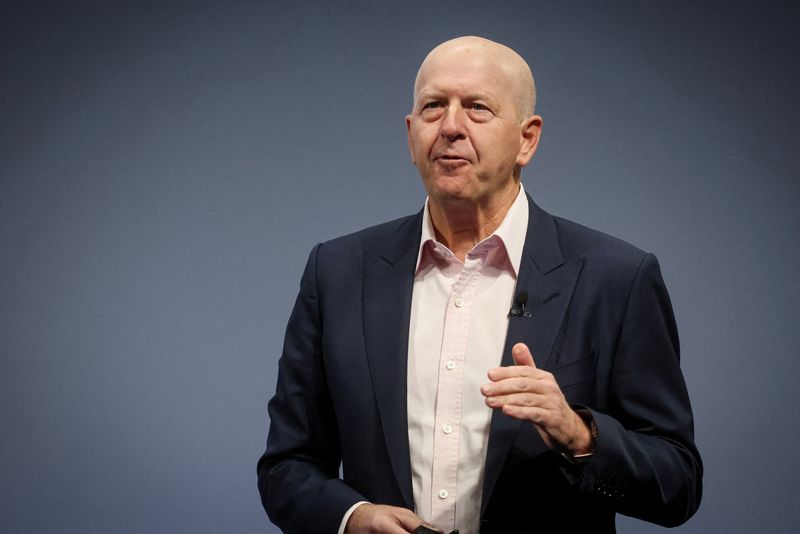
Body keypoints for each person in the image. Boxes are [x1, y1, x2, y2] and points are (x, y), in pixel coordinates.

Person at [257, 36, 702, 533]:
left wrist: (578, 434)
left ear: (526, 139)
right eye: (433, 107)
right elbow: (286, 466)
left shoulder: (615, 277)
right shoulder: (337, 270)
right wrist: (352, 519)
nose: (450, 127)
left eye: (477, 108)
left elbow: (677, 482)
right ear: (410, 135)